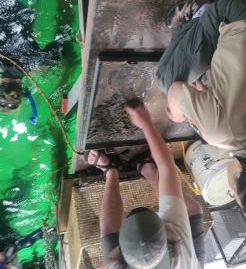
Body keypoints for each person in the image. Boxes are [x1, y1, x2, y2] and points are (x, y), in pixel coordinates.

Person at [156, 0, 246, 228]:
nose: (230, 191)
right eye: (234, 193)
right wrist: (178, 115)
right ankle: (198, 12)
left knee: (197, 72)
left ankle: (198, 31)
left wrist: (208, 99)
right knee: (165, 79)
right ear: (240, 177)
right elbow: (176, 90)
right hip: (238, 12)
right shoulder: (221, 135)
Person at [86, 101, 204, 268]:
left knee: (107, 234)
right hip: (189, 262)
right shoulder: (178, 242)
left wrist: (120, 253)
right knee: (193, 209)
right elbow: (167, 169)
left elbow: (109, 260)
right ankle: (147, 168)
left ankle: (111, 172)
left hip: (131, 256)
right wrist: (146, 124)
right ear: (166, 235)